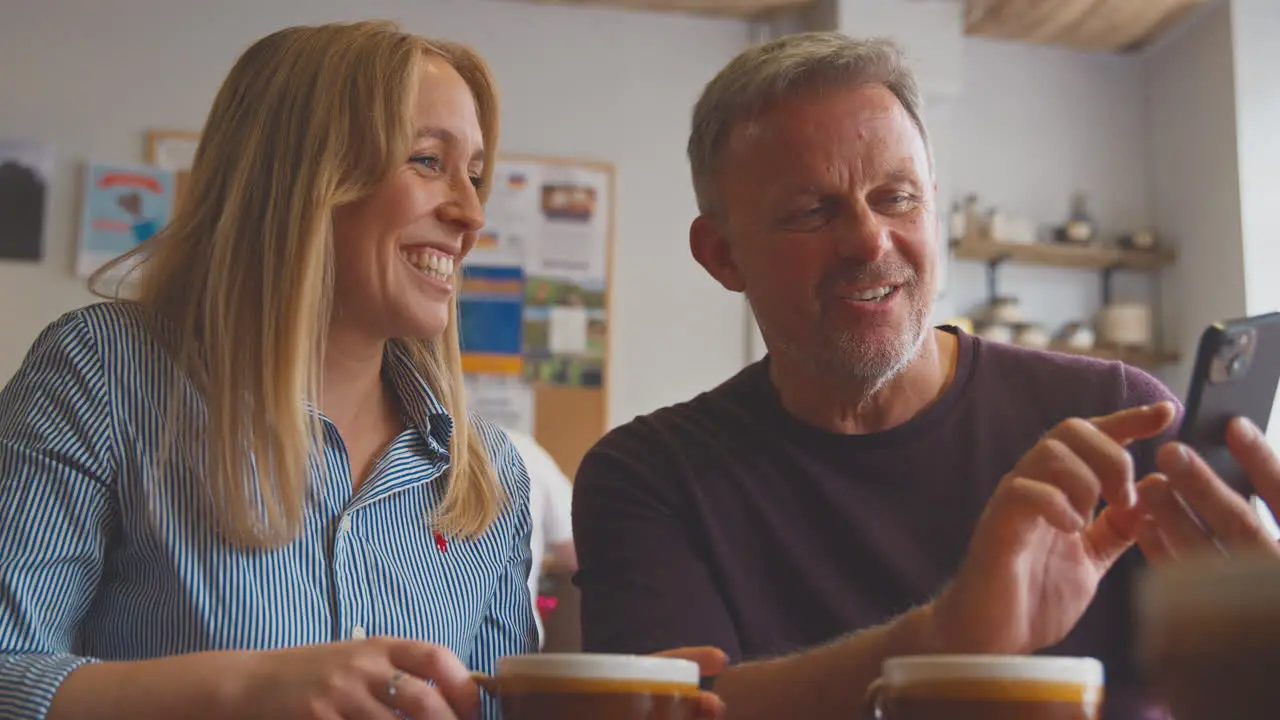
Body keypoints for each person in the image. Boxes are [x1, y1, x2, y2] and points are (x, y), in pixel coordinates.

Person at [0, 21, 724, 720]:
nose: (471, 213)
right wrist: (240, 690)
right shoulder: (102, 372)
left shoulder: (486, 477)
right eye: (428, 162)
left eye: (474, 176)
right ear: (298, 176)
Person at [572, 31, 1183, 720]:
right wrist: (944, 639)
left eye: (897, 198)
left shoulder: (1114, 419)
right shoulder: (653, 476)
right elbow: (674, 711)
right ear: (722, 254)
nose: (869, 239)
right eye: (811, 211)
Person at [503, 429, 577, 646]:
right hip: (512, 639)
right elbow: (576, 552)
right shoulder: (523, 449)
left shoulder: (406, 447)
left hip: (420, 641)